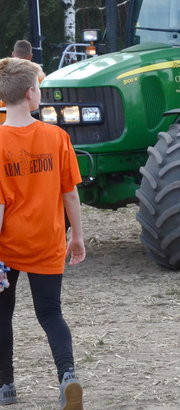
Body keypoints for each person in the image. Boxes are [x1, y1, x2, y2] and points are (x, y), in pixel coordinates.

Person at [0, 58, 86, 406]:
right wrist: (76, 236)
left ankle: (6, 387)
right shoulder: (57, 137)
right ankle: (68, 376)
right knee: (51, 314)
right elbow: (70, 193)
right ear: (32, 93)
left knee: (2, 315)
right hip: (48, 242)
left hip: (8, 248)